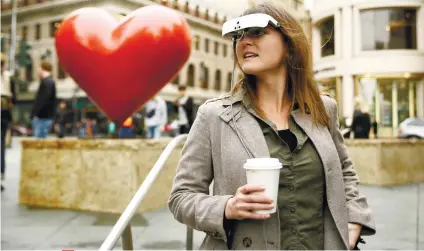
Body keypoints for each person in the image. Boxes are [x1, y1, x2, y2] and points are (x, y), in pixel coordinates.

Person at [168, 4, 375, 250]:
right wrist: (227, 207)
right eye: (238, 36)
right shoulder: (214, 115)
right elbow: (181, 198)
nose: (244, 42)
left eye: (256, 31)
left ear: (289, 44)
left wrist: (354, 218)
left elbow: (344, 172)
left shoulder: (324, 109)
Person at [31, 61, 57, 138]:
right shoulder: (48, 82)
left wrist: (35, 114)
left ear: (43, 69)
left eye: (39, 68)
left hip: (42, 117)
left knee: (40, 142)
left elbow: (43, 100)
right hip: (44, 117)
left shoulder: (47, 82)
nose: (38, 70)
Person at [1, 54, 16, 192]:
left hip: (4, 113)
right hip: (4, 112)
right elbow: (14, 98)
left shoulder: (8, 78)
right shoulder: (9, 78)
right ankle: (0, 175)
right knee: (1, 146)